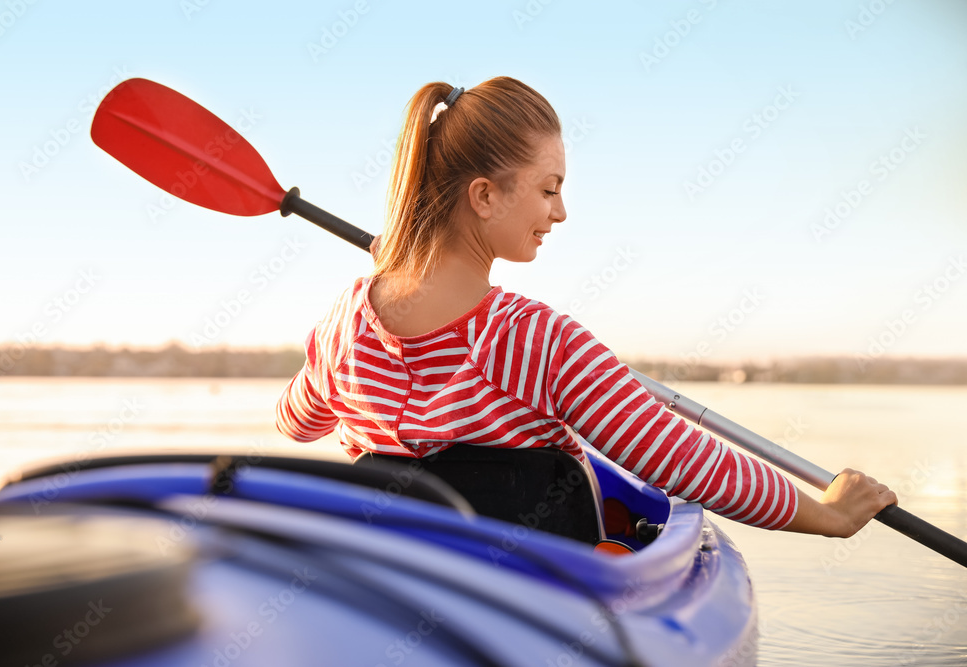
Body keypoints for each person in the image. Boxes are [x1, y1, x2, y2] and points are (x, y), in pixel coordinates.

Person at [276, 76, 897, 538]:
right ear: (484, 196)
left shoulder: (345, 323)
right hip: (539, 593)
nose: (560, 212)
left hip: (400, 575)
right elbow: (682, 459)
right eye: (549, 189)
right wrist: (827, 513)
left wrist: (393, 277)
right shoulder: (531, 340)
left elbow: (295, 423)